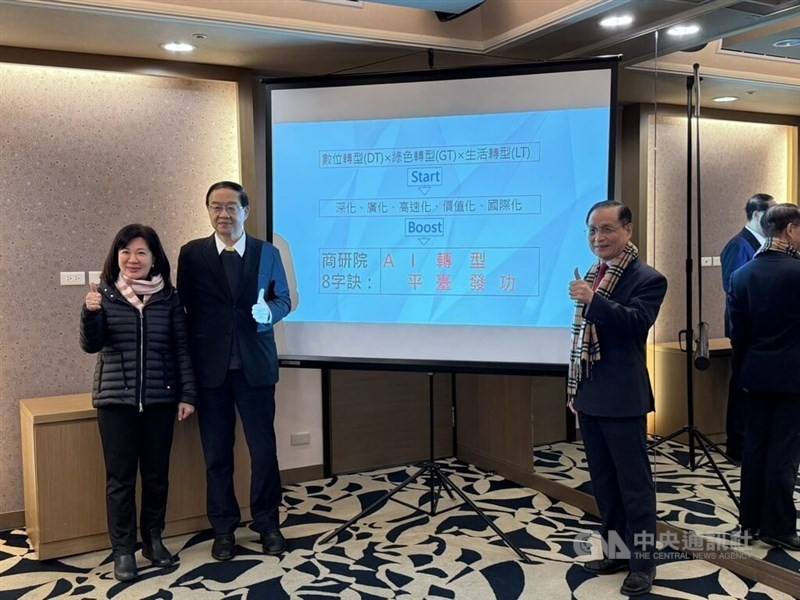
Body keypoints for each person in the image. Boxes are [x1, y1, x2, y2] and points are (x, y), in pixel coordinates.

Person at [177, 181, 291, 560]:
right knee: (217, 454)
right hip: (210, 372)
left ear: (246, 211)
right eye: (215, 207)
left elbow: (283, 299)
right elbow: (186, 312)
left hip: (255, 367)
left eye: (230, 208)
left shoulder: (266, 253)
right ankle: (223, 529)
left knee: (263, 451)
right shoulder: (192, 255)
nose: (223, 214)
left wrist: (268, 314)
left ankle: (267, 523)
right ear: (208, 211)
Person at [80, 224, 196, 582]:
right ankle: (123, 550)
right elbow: (91, 345)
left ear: (154, 258)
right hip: (116, 402)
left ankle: (153, 540)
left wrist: (188, 394)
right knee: (120, 480)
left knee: (157, 477)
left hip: (160, 401)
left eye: (141, 252)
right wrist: (91, 313)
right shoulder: (105, 294)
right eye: (126, 251)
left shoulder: (168, 297)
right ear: (117, 256)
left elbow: (180, 348)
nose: (133, 259)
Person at [568, 200, 667, 597]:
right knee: (604, 483)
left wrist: (594, 300)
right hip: (591, 394)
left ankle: (643, 564)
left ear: (627, 230)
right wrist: (575, 388)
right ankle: (615, 551)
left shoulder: (647, 278)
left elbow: (635, 324)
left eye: (607, 229)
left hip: (623, 397)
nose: (598, 238)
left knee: (635, 486)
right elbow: (580, 340)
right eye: (592, 230)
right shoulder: (596, 272)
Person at [729, 203, 800, 552]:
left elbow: (736, 334)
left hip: (753, 375)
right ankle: (779, 527)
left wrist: (743, 372)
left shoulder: (742, 275)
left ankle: (749, 523)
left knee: (754, 451)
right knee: (783, 455)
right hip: (793, 379)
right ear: (789, 230)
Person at [720, 193, 775, 461]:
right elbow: (735, 289)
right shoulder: (739, 245)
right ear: (756, 214)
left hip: (759, 329)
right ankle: (737, 445)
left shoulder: (762, 243)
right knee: (741, 387)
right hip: (744, 328)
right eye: (770, 214)